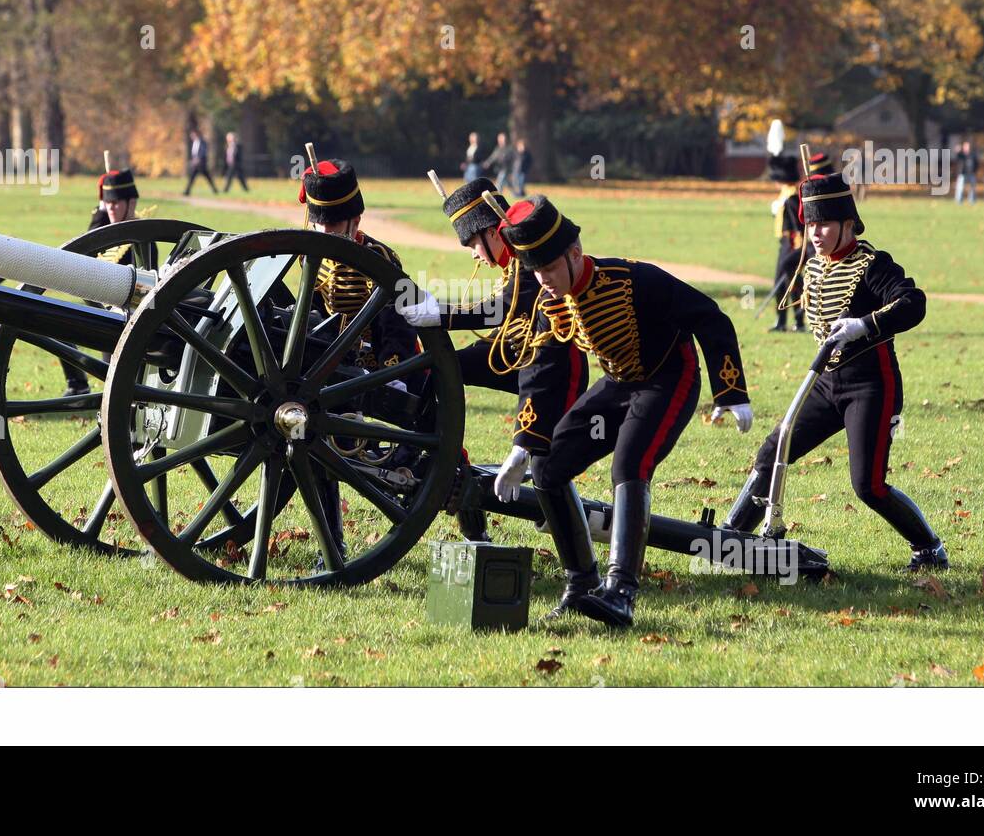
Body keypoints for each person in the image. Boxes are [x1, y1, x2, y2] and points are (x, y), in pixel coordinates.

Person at [496, 196, 753, 627]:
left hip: (669, 378)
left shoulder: (635, 279)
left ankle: (621, 593)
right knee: (547, 469)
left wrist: (730, 390)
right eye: (535, 271)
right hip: (618, 384)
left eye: (549, 268)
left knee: (629, 465)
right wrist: (523, 445)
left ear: (575, 253)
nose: (543, 280)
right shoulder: (549, 302)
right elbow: (543, 373)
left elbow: (710, 316)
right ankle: (581, 584)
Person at [723, 172, 947, 571]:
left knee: (868, 486)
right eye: (811, 224)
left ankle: (929, 548)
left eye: (824, 224)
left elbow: (914, 303)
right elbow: (788, 270)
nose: (816, 234)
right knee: (773, 452)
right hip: (826, 383)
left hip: (871, 386)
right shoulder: (813, 263)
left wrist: (866, 325)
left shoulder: (872, 264)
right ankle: (729, 539)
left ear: (849, 223)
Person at [397, 177, 590, 542]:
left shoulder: (528, 253)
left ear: (492, 232)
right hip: (516, 352)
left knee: (544, 460)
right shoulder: (512, 258)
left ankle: (578, 551)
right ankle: (447, 468)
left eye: (472, 242)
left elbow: (502, 309)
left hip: (553, 367)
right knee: (440, 369)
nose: (473, 253)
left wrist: (443, 313)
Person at [300, 158, 419, 558]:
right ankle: (331, 541)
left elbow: (396, 321)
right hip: (327, 369)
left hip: (376, 367)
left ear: (355, 220)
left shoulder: (380, 258)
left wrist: (393, 371)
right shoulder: (308, 257)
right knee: (316, 440)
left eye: (335, 225)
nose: (327, 233)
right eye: (322, 225)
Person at [62, 169, 139, 397]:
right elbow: (85, 251)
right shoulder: (103, 229)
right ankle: (77, 384)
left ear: (130, 202)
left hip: (122, 316)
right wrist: (99, 214)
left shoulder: (141, 237)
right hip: (99, 308)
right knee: (58, 325)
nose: (112, 207)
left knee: (112, 381)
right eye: (108, 202)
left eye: (117, 202)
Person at [767, 151, 811, 333]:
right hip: (783, 242)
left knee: (792, 283)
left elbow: (797, 226)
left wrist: (798, 248)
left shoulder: (792, 196)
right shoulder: (785, 193)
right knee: (780, 282)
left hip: (792, 243)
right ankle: (781, 319)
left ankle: (799, 320)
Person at [184, 128, 216, 196]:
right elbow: (194, 153)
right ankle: (187, 191)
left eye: (193, 135)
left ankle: (214, 189)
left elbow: (203, 152)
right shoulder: (194, 143)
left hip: (201, 164)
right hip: (196, 164)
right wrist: (193, 160)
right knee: (192, 177)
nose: (191, 136)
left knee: (208, 177)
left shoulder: (203, 142)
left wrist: (198, 159)